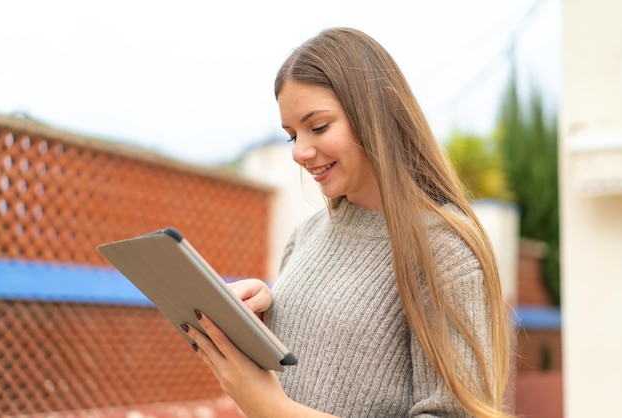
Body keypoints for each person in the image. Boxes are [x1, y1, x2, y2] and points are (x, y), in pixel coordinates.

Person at [183, 27, 513, 417]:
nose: (301, 152)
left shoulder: (442, 247)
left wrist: (272, 408)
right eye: (291, 136)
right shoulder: (305, 236)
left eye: (318, 126)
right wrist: (266, 318)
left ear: (385, 110)